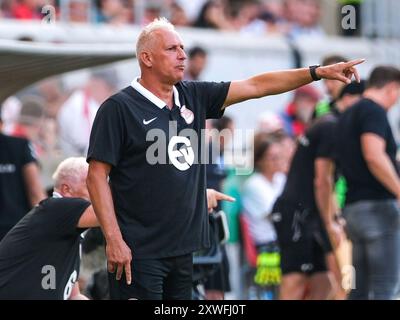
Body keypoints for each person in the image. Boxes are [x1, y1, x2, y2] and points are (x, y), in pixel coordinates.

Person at [86, 17, 363, 300]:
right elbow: (96, 176)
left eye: (182, 47)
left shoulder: (192, 96)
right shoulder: (118, 108)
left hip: (184, 250)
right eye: (172, 49)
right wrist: (114, 240)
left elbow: (257, 86)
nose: (182, 55)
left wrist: (317, 72)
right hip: (139, 253)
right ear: (146, 58)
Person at [336, 66, 400, 300]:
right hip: (377, 207)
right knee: (385, 286)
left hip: (353, 207)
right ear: (392, 88)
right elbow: (373, 154)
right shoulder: (374, 111)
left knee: (359, 289)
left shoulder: (348, 114)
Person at [0, 157, 99, 300]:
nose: (98, 192)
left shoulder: (64, 227)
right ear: (66, 189)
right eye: (91, 184)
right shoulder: (57, 208)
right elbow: (107, 213)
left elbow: (74, 295)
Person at [0, 109, 45, 241]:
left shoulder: (19, 145)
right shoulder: (19, 145)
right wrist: (46, 224)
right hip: (17, 229)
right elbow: (35, 191)